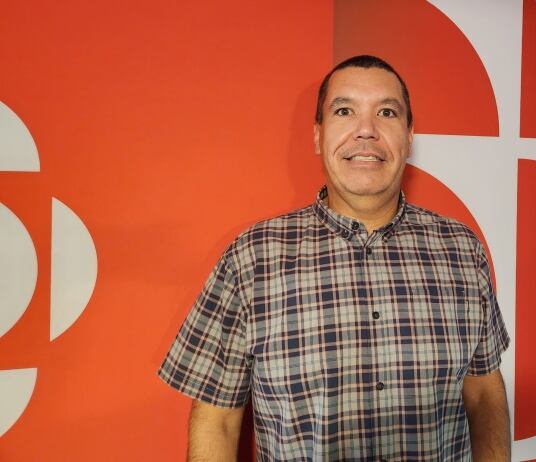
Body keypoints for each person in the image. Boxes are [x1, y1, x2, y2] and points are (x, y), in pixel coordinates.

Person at [158, 55, 510, 462]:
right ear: (317, 135)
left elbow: (484, 394)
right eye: (345, 111)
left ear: (409, 137)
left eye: (387, 112)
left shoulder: (462, 250)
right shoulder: (252, 258)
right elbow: (216, 421)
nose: (366, 130)